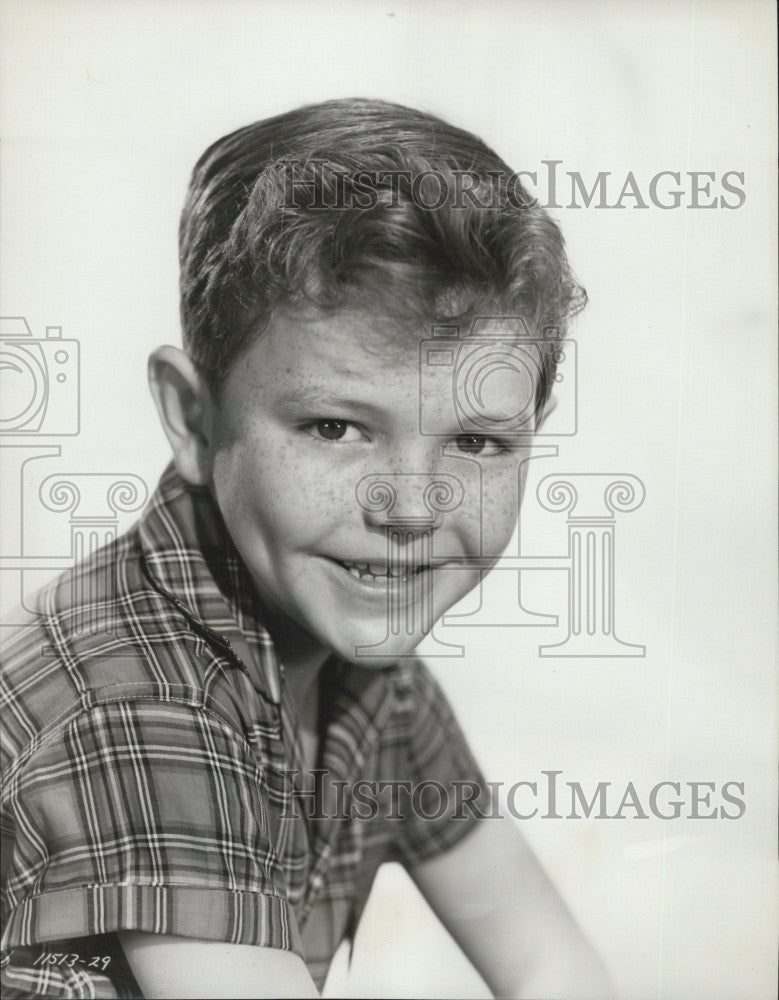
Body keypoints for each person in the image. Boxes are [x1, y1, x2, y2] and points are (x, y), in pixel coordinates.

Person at [0, 98, 611, 999]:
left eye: (477, 443)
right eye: (335, 427)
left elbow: (553, 970)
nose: (411, 507)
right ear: (193, 416)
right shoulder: (135, 704)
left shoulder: (367, 669)